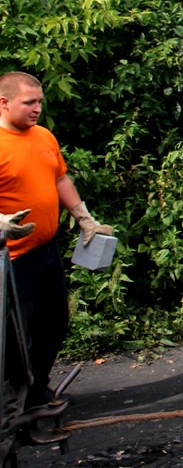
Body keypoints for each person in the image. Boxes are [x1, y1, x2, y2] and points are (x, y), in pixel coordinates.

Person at [0, 71, 113, 407]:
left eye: (39, 102)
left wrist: (84, 217)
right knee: (13, 337)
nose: (36, 109)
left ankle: (36, 390)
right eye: (29, 103)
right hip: (11, 259)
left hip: (44, 250)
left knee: (53, 323)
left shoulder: (43, 137)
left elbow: (60, 178)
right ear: (3, 103)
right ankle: (10, 401)